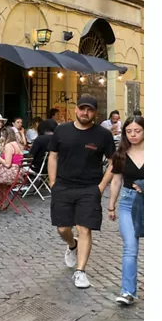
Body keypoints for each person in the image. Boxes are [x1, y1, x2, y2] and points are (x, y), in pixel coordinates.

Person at [48, 95, 115, 289]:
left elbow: (113, 163)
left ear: (95, 112)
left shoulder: (103, 135)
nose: (85, 113)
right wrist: (52, 182)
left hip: (89, 188)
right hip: (63, 186)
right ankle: (72, 245)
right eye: (82, 108)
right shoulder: (62, 131)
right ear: (76, 110)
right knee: (62, 228)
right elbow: (53, 156)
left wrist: (101, 187)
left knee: (84, 228)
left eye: (90, 110)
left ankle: (80, 271)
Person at [107, 116, 144, 306]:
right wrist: (111, 205)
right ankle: (128, 291)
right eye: (129, 131)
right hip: (128, 203)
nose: (133, 135)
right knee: (130, 248)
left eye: (137, 131)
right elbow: (116, 181)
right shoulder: (120, 154)